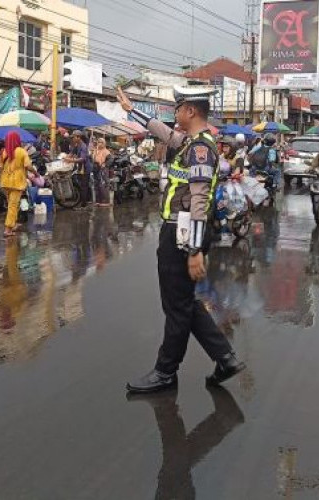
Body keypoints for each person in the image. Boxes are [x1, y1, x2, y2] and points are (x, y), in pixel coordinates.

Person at [117, 85, 245, 394]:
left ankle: (165, 371)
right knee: (184, 303)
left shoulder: (200, 149)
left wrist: (194, 251)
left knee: (176, 307)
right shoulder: (190, 143)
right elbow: (163, 132)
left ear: (190, 111)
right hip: (178, 233)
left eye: (178, 108)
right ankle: (225, 357)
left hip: (182, 235)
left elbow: (200, 199)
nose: (174, 114)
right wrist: (131, 109)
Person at [0, 131, 37, 236]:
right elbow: (28, 166)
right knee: (13, 205)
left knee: (11, 204)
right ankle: (8, 229)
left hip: (5, 182)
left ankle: (13, 224)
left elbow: (0, 167)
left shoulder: (3, 151)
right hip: (17, 182)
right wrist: (35, 173)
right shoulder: (21, 151)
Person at [66, 130, 93, 209]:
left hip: (85, 168)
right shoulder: (77, 145)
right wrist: (65, 158)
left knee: (83, 186)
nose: (73, 139)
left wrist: (71, 160)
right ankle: (87, 201)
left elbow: (82, 159)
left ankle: (83, 205)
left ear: (78, 137)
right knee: (83, 185)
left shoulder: (83, 146)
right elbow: (71, 153)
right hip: (80, 168)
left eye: (74, 137)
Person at [92, 137, 112, 207]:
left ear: (104, 144)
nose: (99, 143)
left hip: (103, 169)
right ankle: (98, 201)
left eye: (101, 142)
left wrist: (105, 164)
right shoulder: (96, 150)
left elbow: (110, 159)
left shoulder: (106, 151)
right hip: (96, 169)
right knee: (96, 185)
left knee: (103, 185)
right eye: (98, 142)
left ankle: (106, 201)